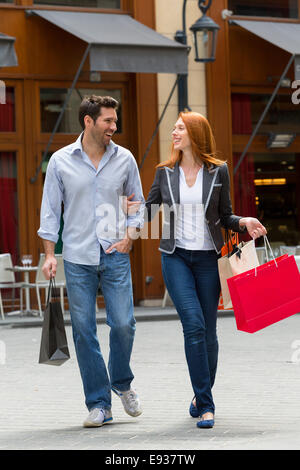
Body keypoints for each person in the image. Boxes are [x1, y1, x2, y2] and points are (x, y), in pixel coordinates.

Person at [143, 111, 267, 429]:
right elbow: (147, 210)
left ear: (196, 134)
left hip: (207, 260)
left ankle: (200, 396)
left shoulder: (218, 171)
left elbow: (224, 215)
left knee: (209, 333)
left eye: (180, 128)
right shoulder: (165, 172)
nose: (174, 132)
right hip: (175, 258)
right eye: (174, 128)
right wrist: (122, 216)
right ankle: (208, 405)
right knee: (194, 327)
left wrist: (244, 222)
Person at [38, 95, 144, 428]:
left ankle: (122, 382)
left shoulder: (124, 159)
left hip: (115, 254)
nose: (114, 127)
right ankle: (99, 403)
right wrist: (48, 255)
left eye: (115, 121)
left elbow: (138, 204)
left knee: (124, 324)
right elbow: (50, 212)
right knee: (84, 332)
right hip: (78, 257)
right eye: (108, 121)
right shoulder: (60, 161)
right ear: (88, 121)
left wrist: (130, 235)